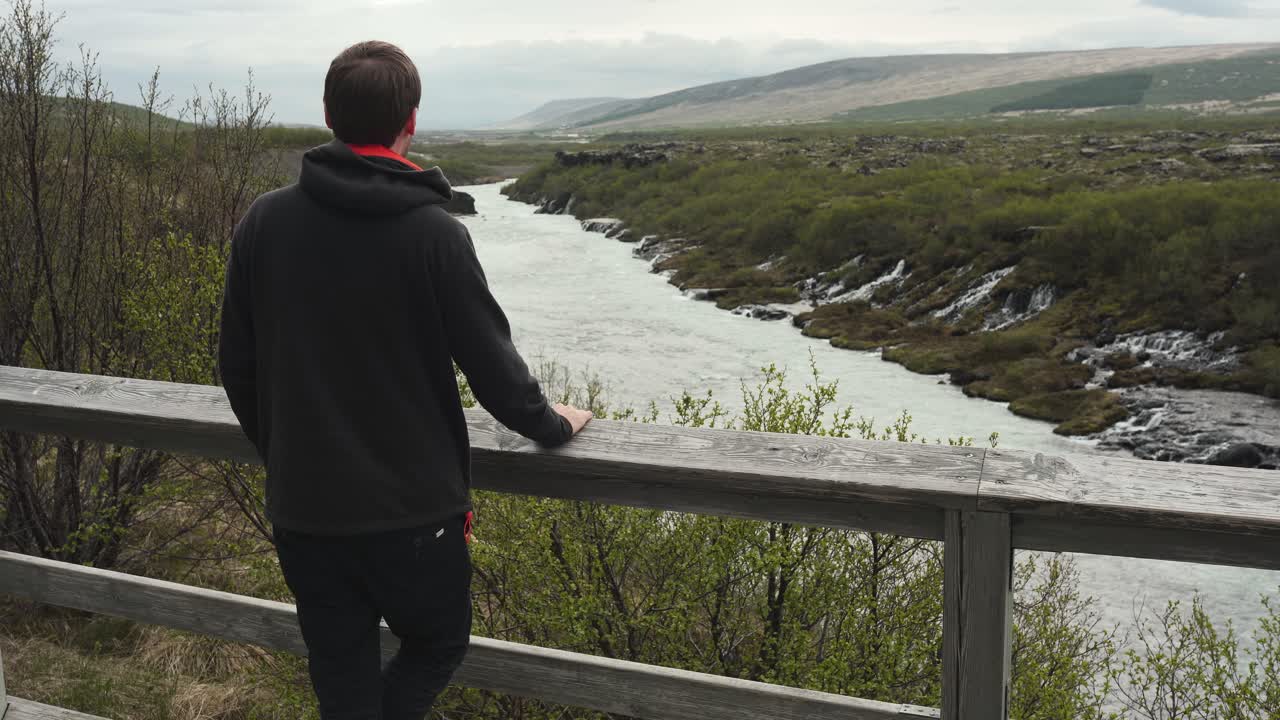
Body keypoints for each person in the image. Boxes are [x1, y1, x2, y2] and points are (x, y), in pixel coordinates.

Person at [217, 40, 593, 720]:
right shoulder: (434, 234)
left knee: (340, 673)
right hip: (417, 518)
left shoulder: (264, 222)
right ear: (410, 122)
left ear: (328, 113)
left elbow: (236, 369)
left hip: (305, 511)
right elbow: (495, 376)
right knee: (441, 642)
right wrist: (554, 423)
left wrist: (287, 453)